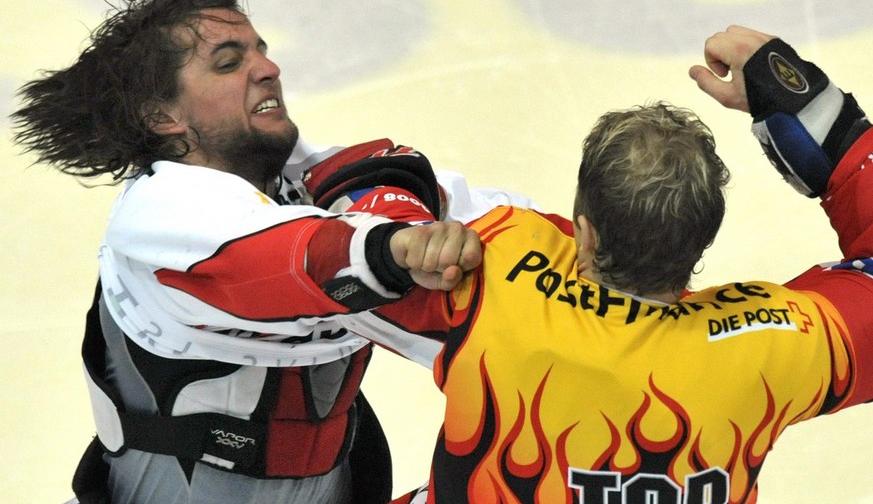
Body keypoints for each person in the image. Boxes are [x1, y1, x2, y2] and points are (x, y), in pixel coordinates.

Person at [9, 0, 531, 504]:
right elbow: (274, 258)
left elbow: (508, 226)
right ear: (163, 117)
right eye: (229, 62)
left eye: (261, 50)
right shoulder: (160, 214)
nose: (269, 68)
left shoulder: (325, 179)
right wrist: (396, 247)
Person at [337, 25, 873, 504]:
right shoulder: (780, 342)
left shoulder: (495, 278)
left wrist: (400, 218)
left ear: (584, 231)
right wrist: (819, 116)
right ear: (702, 241)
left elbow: (351, 191)